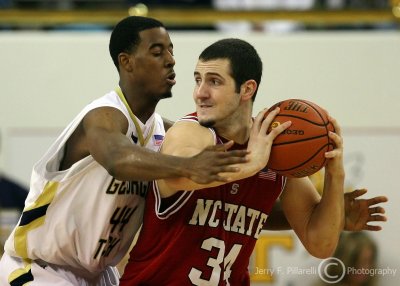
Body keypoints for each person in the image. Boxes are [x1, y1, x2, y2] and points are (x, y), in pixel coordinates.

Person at [0, 17, 249, 286]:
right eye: (157, 52)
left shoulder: (165, 133)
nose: (171, 60)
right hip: (40, 269)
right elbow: (117, 159)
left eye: (171, 50)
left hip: (100, 275)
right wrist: (190, 165)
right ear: (126, 61)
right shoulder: (103, 116)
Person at [119, 38, 346, 285]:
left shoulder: (273, 150)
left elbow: (320, 244)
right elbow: (179, 173)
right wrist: (251, 164)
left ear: (247, 89)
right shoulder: (191, 132)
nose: (200, 93)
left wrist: (336, 174)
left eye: (214, 81)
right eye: (197, 80)